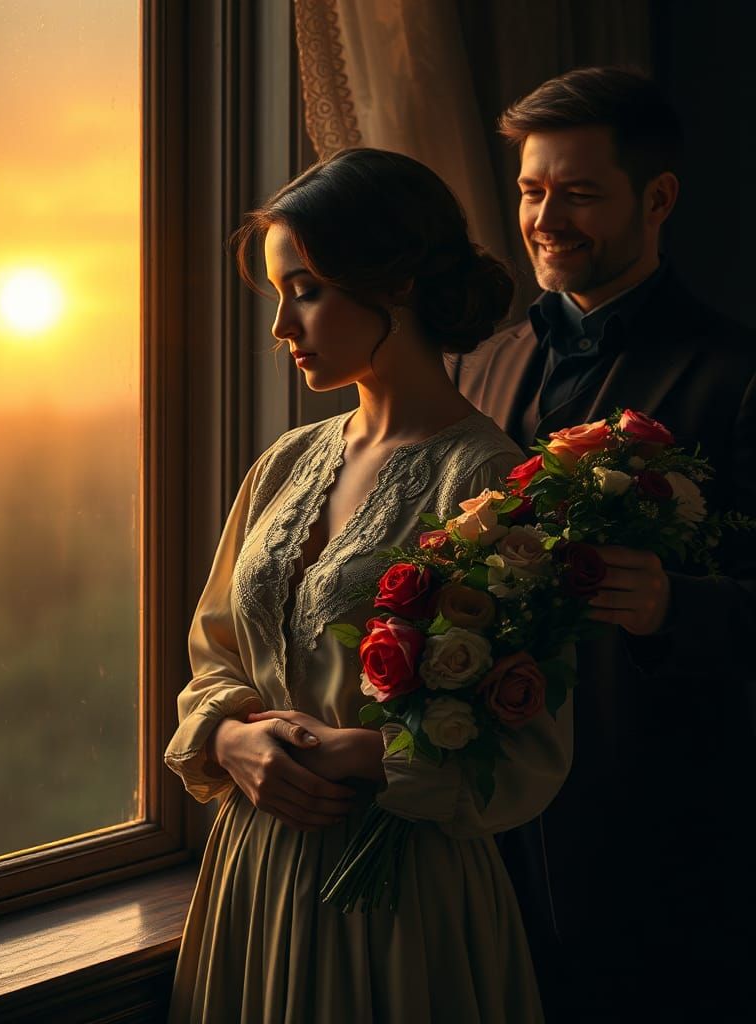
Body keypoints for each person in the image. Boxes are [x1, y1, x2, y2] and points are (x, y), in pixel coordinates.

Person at [163, 147, 572, 1023]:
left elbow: (529, 747)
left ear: (397, 283)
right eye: (279, 292)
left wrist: (363, 755)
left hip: (399, 901)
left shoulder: (491, 486)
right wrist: (229, 735)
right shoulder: (287, 461)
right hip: (252, 873)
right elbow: (215, 650)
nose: (281, 325)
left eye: (304, 289)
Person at [449, 67, 756, 1022]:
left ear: (658, 198)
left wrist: (674, 605)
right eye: (533, 190)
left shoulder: (741, 378)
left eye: (578, 192)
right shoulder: (477, 363)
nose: (545, 217)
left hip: (662, 844)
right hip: (488, 837)